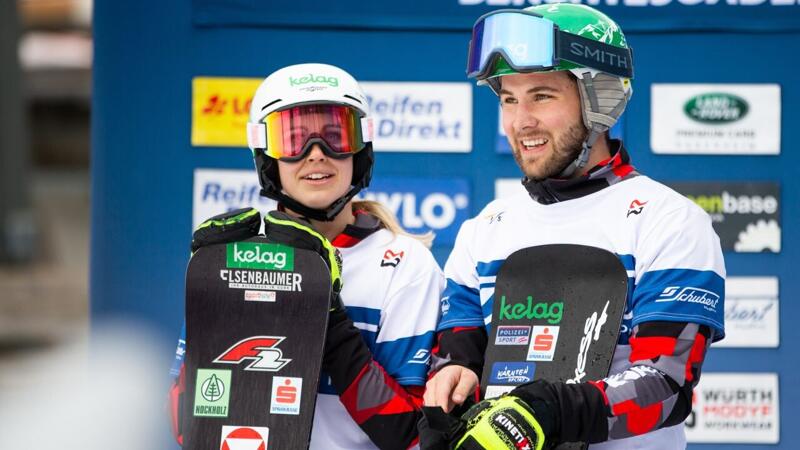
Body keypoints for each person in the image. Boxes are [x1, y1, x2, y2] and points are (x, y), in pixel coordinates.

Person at [420, 5, 725, 450]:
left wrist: (548, 411)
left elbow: (666, 386)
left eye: (542, 96)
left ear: (599, 99)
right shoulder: (483, 230)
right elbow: (458, 354)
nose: (521, 121)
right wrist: (451, 385)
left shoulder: (670, 220)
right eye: (509, 99)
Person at [168, 63, 444, 450]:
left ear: (360, 150)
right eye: (293, 140)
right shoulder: (240, 262)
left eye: (336, 136)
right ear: (267, 157)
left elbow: (411, 435)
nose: (316, 155)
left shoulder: (404, 264)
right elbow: (187, 426)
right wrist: (212, 295)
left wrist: (325, 316)